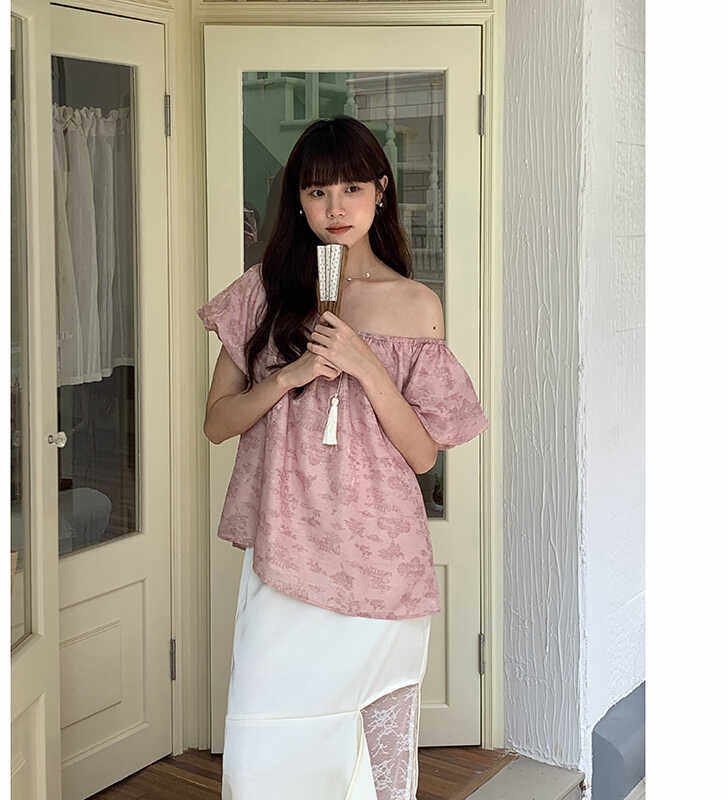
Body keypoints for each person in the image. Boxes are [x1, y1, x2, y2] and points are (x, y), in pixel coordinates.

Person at [196, 116, 489, 800]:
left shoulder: (415, 305)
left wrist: (365, 363)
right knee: (263, 749)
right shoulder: (262, 292)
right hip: (287, 548)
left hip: (380, 557)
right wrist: (290, 376)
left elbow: (423, 455)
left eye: (352, 188)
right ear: (298, 200)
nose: (335, 207)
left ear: (380, 192)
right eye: (317, 191)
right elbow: (216, 424)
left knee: (372, 756)